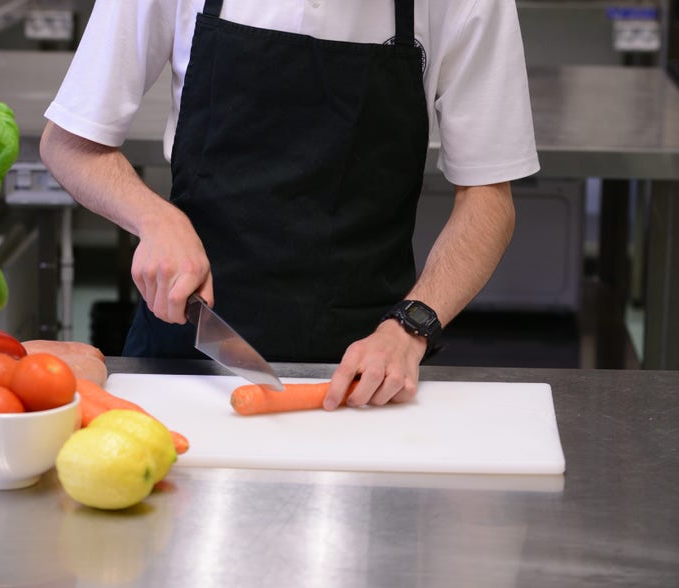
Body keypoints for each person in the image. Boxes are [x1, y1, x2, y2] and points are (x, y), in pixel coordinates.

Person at [39, 0, 539, 410]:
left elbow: (488, 200)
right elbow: (71, 145)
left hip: (368, 373)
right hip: (186, 351)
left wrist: (412, 326)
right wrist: (155, 219)